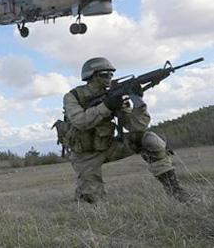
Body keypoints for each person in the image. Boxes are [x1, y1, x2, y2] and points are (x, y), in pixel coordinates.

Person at [63, 57, 189, 204]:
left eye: (111, 74)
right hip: (85, 155)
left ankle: (176, 192)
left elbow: (137, 126)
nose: (109, 78)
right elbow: (80, 121)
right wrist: (106, 107)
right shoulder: (73, 96)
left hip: (109, 146)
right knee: (92, 202)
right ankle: (85, 195)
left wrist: (138, 101)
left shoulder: (113, 96)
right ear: (91, 76)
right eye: (104, 74)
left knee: (150, 139)